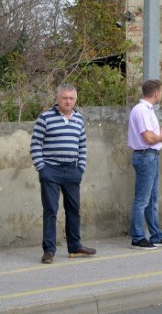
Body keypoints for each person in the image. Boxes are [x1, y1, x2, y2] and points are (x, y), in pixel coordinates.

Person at [30, 84, 96, 264]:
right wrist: (42, 168)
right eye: (65, 98)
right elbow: (35, 144)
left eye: (71, 98)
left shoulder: (79, 119)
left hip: (72, 171)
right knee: (51, 210)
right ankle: (49, 250)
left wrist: (80, 168)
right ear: (58, 98)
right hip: (50, 170)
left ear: (76, 99)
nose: (68, 101)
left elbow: (82, 145)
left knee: (74, 210)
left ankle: (75, 247)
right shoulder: (45, 118)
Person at [128, 79, 162, 249]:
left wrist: (160, 134)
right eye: (161, 91)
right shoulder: (141, 110)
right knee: (142, 200)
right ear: (156, 93)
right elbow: (148, 138)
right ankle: (138, 237)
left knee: (152, 199)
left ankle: (155, 235)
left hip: (151, 156)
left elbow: (149, 135)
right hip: (145, 156)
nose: (161, 94)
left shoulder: (146, 110)